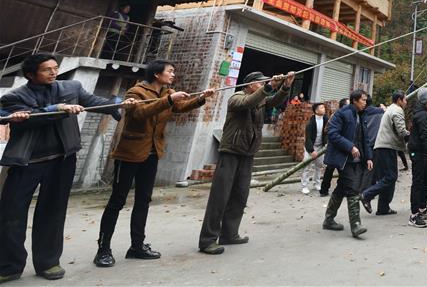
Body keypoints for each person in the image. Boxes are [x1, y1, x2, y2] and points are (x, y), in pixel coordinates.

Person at [0, 53, 127, 282]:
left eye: (55, 68)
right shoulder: (15, 97)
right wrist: (58, 108)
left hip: (62, 159)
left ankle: (48, 262)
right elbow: (33, 118)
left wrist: (119, 104)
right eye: (46, 69)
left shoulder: (71, 87)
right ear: (30, 74)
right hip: (26, 162)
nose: (53, 72)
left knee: (53, 212)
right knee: (11, 215)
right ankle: (9, 266)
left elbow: (94, 102)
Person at [94, 60, 213, 268]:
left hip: (152, 153)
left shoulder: (168, 92)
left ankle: (137, 246)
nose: (173, 74)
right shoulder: (136, 91)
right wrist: (169, 100)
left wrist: (201, 98)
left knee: (143, 200)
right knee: (117, 200)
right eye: (170, 71)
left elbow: (180, 106)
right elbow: (139, 113)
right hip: (129, 154)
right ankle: (103, 249)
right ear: (157, 74)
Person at [198, 71, 292, 254]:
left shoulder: (261, 99)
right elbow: (248, 103)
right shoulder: (236, 97)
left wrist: (286, 85)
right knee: (220, 197)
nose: (264, 85)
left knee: (240, 195)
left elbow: (274, 101)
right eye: (261, 83)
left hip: (248, 152)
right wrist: (269, 86)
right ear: (250, 84)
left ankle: (229, 234)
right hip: (230, 151)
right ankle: (207, 240)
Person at [322, 90, 372, 238]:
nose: (365, 102)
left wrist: (369, 157)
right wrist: (350, 147)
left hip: (357, 159)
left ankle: (329, 220)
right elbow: (332, 133)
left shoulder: (361, 115)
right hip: (343, 158)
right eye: (363, 100)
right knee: (352, 188)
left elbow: (365, 139)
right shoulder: (342, 114)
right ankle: (356, 225)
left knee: (341, 188)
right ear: (355, 100)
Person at [361, 92, 408, 216]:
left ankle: (383, 207)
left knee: (386, 178)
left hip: (382, 146)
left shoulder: (390, 108)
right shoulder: (397, 110)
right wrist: (412, 136)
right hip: (387, 146)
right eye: (405, 100)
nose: (406, 102)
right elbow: (401, 131)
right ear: (399, 100)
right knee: (390, 177)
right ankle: (366, 195)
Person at [408, 88, 427, 227]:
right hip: (418, 152)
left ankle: (422, 207)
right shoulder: (422, 115)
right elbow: (424, 135)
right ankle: (414, 215)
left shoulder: (425, 113)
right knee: (418, 182)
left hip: (423, 152)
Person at [319, 98, 349, 197]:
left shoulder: (347, 115)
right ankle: (325, 190)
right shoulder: (336, 115)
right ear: (343, 106)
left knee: (339, 169)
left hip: (342, 145)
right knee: (332, 169)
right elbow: (326, 129)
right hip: (335, 145)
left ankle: (339, 189)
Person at [301, 102, 329, 195]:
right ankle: (304, 186)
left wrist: (326, 143)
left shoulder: (326, 120)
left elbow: (327, 133)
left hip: (321, 147)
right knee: (307, 166)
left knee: (319, 166)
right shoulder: (311, 122)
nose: (324, 109)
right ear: (316, 111)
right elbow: (308, 138)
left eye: (324, 107)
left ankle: (317, 183)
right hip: (311, 147)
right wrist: (311, 150)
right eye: (321, 108)